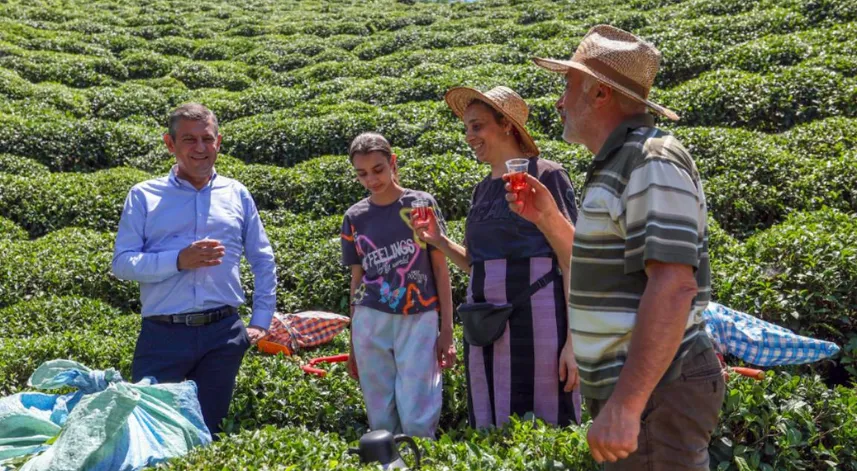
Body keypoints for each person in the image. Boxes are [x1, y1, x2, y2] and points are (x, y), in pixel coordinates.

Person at [507, 25, 724, 469]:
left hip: (657, 390)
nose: (559, 102)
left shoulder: (650, 161)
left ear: (601, 94)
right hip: (642, 389)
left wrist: (626, 405)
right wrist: (548, 218)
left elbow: (674, 286)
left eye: (568, 87)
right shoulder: (618, 163)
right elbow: (597, 270)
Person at [412, 86, 581, 428]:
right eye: (466, 129)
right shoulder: (482, 189)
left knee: (543, 425)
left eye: (477, 126)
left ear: (506, 124)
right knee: (492, 425)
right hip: (486, 327)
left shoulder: (546, 174)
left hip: (538, 321)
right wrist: (439, 240)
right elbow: (477, 264)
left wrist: (575, 343)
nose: (469, 136)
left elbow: (571, 257)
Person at [112, 103, 277, 437]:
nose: (200, 148)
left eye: (207, 139)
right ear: (170, 144)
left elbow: (262, 259)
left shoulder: (237, 193)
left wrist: (260, 321)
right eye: (189, 139)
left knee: (208, 433)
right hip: (163, 335)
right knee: (151, 433)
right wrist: (178, 260)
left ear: (218, 142)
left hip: (223, 334)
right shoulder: (144, 195)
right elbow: (123, 263)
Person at [341, 132, 456, 438]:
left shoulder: (420, 204)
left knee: (419, 409)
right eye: (362, 174)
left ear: (392, 162)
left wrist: (447, 330)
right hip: (370, 317)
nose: (372, 180)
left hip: (419, 315)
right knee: (379, 412)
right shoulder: (354, 217)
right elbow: (356, 279)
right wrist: (352, 338)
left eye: (378, 169)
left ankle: (420, 459)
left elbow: (440, 269)